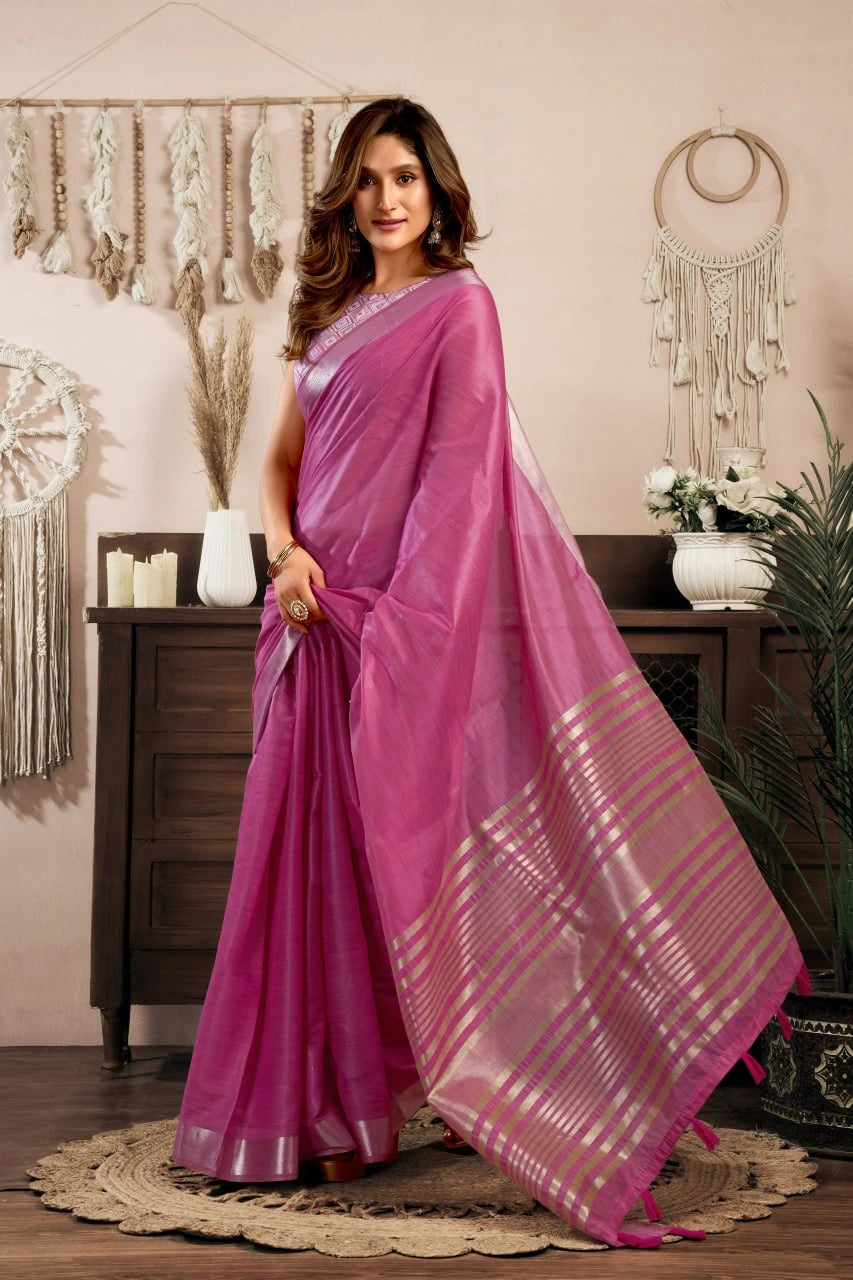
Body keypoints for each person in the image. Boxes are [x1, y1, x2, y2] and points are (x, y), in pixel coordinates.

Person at [171, 97, 806, 1248]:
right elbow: (279, 461)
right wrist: (289, 553)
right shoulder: (321, 314)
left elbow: (460, 481)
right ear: (344, 197)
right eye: (366, 179)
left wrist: (406, 628)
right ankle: (334, 1106)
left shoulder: (461, 307)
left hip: (405, 624)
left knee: (444, 855)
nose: (386, 199)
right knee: (307, 860)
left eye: (405, 176)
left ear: (438, 188)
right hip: (312, 618)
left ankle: (501, 1080)